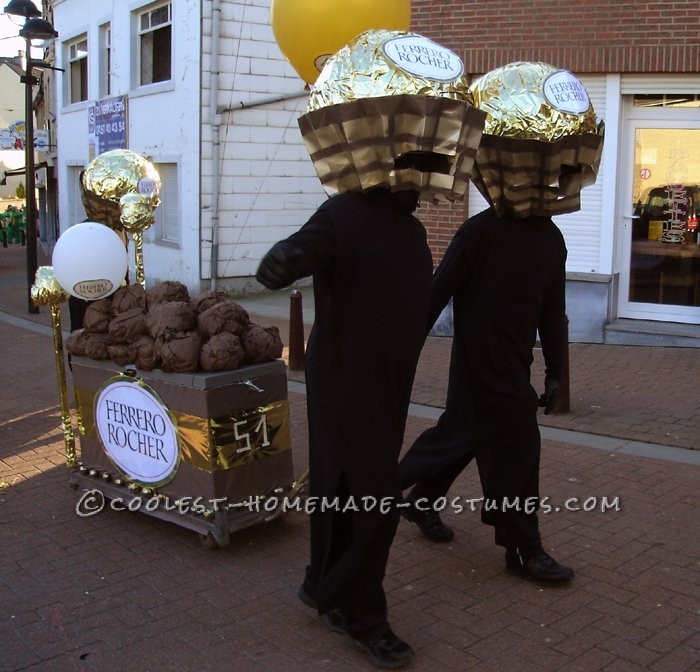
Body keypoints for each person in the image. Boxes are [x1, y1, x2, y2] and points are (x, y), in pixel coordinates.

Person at [257, 28, 486, 669]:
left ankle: (318, 583)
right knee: (376, 502)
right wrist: (284, 260)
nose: (426, 165)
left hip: (386, 388)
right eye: (412, 153)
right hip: (344, 383)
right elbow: (306, 250)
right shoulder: (343, 214)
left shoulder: (411, 232)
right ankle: (362, 613)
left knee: (337, 489)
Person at [398, 61, 605, 585]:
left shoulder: (549, 240)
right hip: (475, 367)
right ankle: (523, 549)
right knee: (515, 447)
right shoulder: (477, 235)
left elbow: (551, 313)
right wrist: (398, 352)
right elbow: (433, 296)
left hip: (512, 366)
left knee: (460, 438)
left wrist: (557, 372)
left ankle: (415, 497)